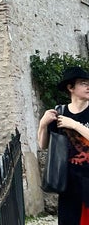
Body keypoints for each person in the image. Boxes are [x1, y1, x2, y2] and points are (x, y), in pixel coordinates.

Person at [38, 66, 89, 224]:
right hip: (68, 182)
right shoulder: (60, 113)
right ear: (70, 87)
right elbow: (43, 145)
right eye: (83, 83)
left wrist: (74, 124)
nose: (88, 86)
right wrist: (43, 124)